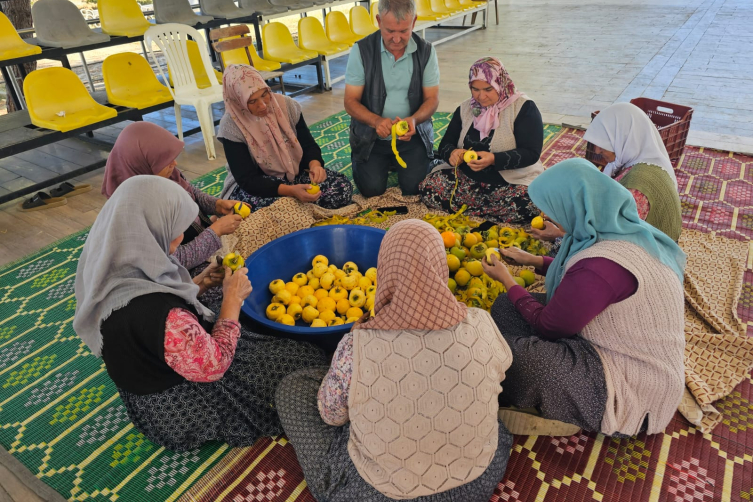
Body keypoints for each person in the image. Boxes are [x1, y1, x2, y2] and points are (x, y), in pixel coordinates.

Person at [73, 176, 326, 452]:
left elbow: (158, 314)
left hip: (153, 369)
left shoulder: (114, 269)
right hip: (178, 404)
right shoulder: (157, 314)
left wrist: (202, 283)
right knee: (302, 361)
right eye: (176, 229)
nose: (182, 237)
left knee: (231, 317)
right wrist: (232, 300)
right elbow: (212, 366)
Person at [275, 220, 513, 502]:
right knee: (493, 424)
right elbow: (498, 374)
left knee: (292, 390)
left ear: (386, 269)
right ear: (441, 266)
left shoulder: (357, 345)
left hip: (376, 494)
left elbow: (332, 415)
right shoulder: (481, 323)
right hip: (473, 483)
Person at [482, 159, 686, 437]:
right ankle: (539, 394)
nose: (545, 214)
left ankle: (562, 410)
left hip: (629, 383)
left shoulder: (604, 264)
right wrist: (533, 260)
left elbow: (548, 325)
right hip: (606, 340)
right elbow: (578, 277)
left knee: (507, 354)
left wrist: (508, 280)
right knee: (506, 308)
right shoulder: (620, 227)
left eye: (551, 206)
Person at [533, 103, 682, 243]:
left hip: (649, 258)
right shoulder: (638, 163)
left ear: (624, 138)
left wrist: (561, 233)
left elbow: (609, 241)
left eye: (606, 141)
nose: (597, 150)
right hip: (637, 244)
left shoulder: (638, 186)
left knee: (569, 252)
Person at [102, 121, 242, 270]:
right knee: (238, 278)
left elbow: (190, 192)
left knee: (265, 224)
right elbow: (173, 262)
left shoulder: (159, 175)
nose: (174, 163)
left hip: (205, 236)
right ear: (141, 164)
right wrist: (215, 232)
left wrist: (216, 205)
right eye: (166, 160)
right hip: (183, 273)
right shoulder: (136, 213)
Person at [419, 57, 544, 224]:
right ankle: (487, 212)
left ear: (501, 84)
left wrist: (493, 159)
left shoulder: (523, 108)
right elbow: (445, 145)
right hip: (467, 180)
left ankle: (472, 210)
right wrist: (453, 153)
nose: (481, 96)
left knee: (530, 203)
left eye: (488, 89)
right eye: (475, 89)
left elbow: (531, 153)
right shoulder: (465, 108)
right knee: (428, 187)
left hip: (509, 183)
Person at [218, 65, 352, 211]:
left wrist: (315, 165)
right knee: (271, 208)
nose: (262, 105)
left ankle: (298, 213)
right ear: (238, 101)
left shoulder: (287, 106)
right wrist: (290, 191)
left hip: (295, 175)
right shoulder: (231, 125)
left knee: (341, 188)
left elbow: (308, 146)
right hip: (259, 185)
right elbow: (248, 180)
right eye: (252, 101)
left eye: (264, 94)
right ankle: (300, 211)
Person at [344, 0, 440, 198]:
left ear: (414, 22)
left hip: (411, 136)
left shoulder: (426, 51)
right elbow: (350, 102)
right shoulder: (361, 50)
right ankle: (374, 163)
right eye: (389, 31)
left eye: (404, 31)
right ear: (378, 21)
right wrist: (375, 121)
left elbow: (432, 99)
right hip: (371, 137)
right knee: (371, 190)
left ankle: (402, 162)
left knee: (415, 189)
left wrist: (413, 120)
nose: (396, 38)